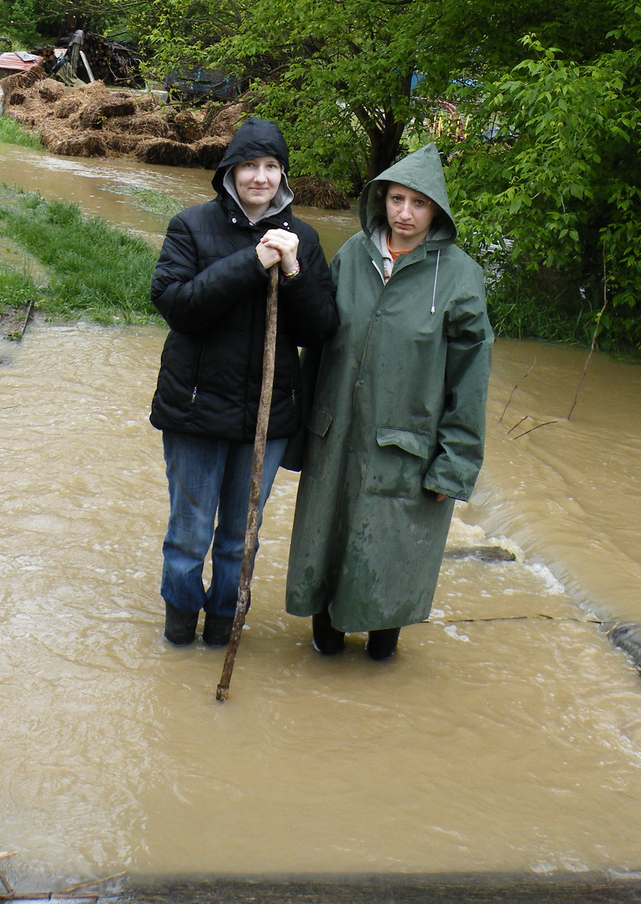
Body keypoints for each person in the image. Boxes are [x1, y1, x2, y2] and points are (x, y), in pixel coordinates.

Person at [285, 141, 493, 660]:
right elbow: (318, 344)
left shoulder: (460, 275)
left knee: (388, 580)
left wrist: (454, 466)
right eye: (396, 200)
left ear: (436, 211)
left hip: (407, 451)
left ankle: (381, 670)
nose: (405, 214)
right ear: (382, 201)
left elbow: (471, 379)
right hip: (333, 439)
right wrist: (296, 436)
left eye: (418, 204)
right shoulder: (352, 255)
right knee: (324, 580)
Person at [150, 117, 338, 647]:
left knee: (239, 539)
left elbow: (320, 328)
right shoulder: (190, 225)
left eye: (272, 166)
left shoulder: (303, 237)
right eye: (250, 166)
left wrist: (294, 270)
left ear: (283, 175)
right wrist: (251, 263)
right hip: (194, 409)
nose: (261, 177)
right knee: (188, 535)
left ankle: (222, 630)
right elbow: (177, 306)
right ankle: (180, 627)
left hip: (267, 416)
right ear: (229, 171)